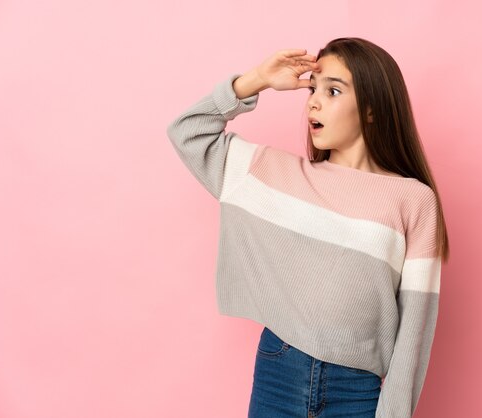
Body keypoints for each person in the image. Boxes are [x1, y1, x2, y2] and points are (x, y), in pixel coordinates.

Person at [166, 37, 450, 418]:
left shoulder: (413, 201)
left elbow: (415, 332)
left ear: (370, 108)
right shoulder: (275, 174)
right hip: (278, 374)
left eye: (333, 91)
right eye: (313, 90)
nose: (313, 101)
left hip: (356, 392)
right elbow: (188, 131)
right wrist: (256, 80)